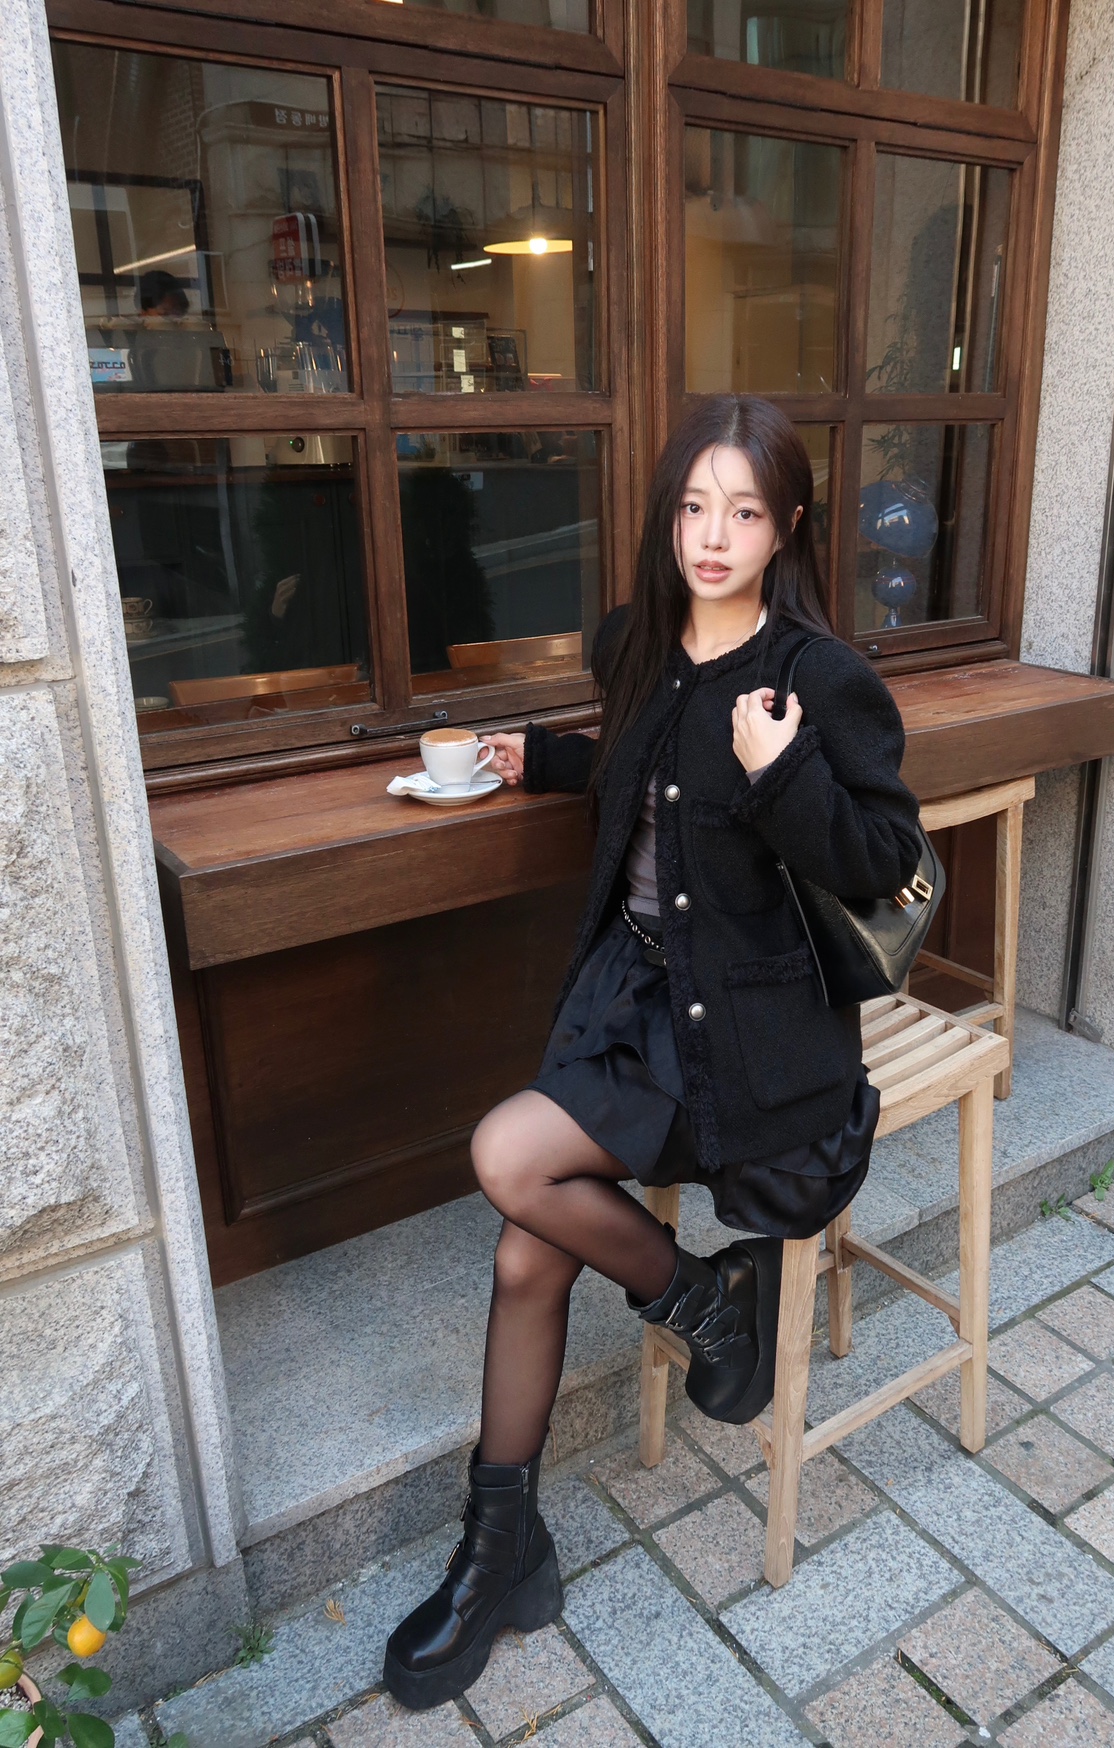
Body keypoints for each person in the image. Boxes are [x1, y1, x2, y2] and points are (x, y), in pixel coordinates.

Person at [383, 394, 923, 1711]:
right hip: (631, 1004)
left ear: (787, 524)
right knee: (526, 1249)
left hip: (747, 1036)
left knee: (510, 1160)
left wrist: (785, 774)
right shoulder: (636, 639)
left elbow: (885, 860)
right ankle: (507, 1539)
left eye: (743, 511)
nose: (713, 536)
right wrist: (547, 758)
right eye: (692, 507)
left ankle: (691, 1315)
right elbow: (654, 767)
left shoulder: (815, 678)